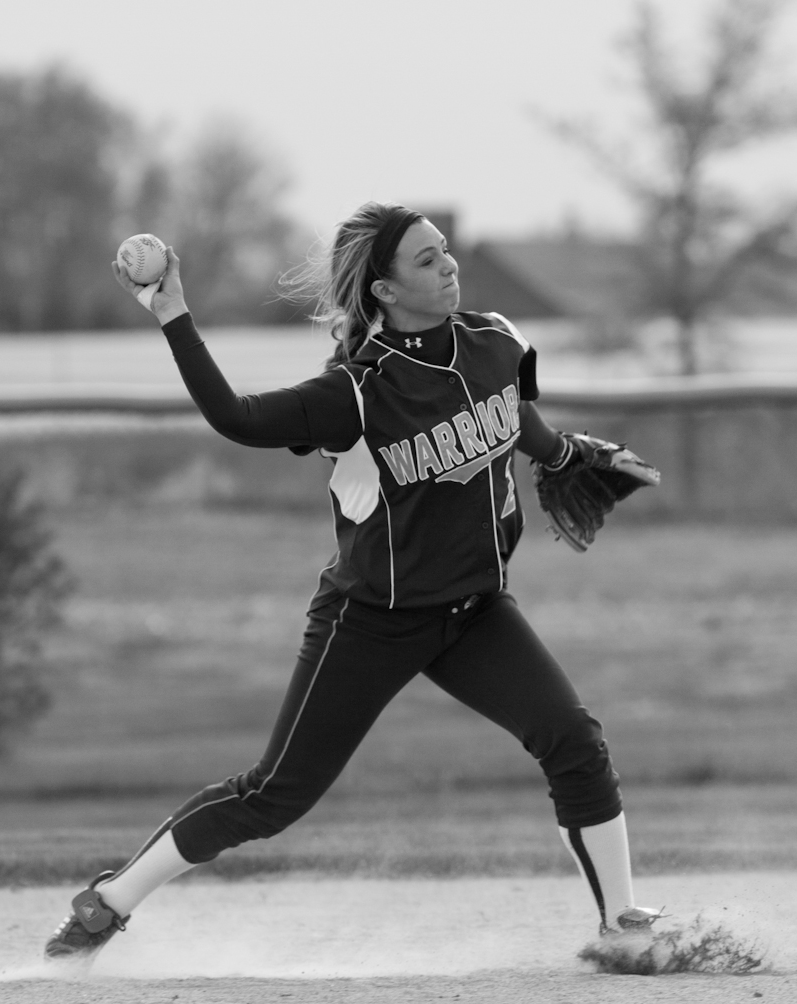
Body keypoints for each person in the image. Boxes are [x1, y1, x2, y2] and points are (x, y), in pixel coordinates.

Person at [44, 203, 660, 963]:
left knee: (573, 740)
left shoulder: (497, 339)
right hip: (371, 620)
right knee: (272, 796)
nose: (449, 265)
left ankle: (622, 926)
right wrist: (173, 313)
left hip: (475, 611)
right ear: (384, 291)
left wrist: (562, 454)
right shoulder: (357, 391)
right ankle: (107, 904)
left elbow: (513, 414)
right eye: (426, 260)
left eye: (444, 250)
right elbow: (235, 417)